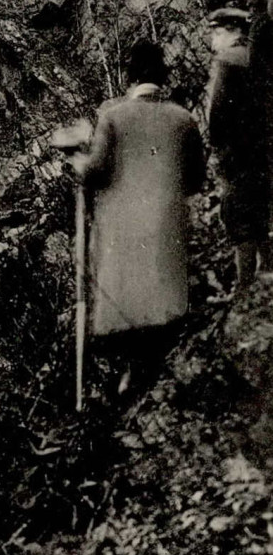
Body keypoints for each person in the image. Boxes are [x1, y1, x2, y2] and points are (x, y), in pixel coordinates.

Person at [73, 41, 205, 393]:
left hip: (125, 232)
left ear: (130, 77)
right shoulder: (185, 119)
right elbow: (195, 181)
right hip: (166, 231)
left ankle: (130, 378)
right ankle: (154, 372)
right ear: (163, 76)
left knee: (129, 305)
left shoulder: (113, 117)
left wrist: (78, 163)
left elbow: (96, 171)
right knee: (162, 308)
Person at [207, 6, 273, 289]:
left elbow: (217, 116)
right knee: (259, 216)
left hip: (237, 157)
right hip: (262, 154)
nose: (213, 41)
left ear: (230, 31)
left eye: (216, 33)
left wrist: (218, 150)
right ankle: (266, 273)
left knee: (238, 217)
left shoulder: (227, 61)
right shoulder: (258, 57)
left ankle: (245, 286)